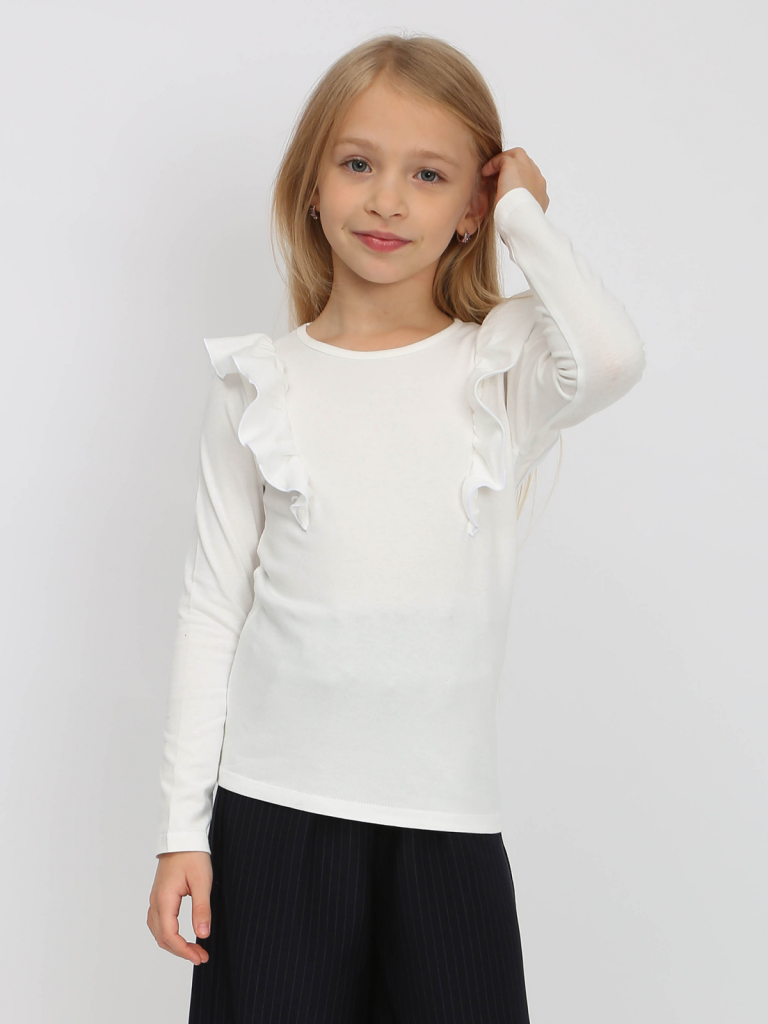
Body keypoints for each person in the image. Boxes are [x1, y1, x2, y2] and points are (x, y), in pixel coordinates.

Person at [146, 31, 646, 1024]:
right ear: (312, 183)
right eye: (358, 164)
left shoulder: (497, 371)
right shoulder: (261, 384)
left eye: (428, 175)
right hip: (273, 814)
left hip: (444, 822)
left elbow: (612, 359)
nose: (385, 200)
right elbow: (212, 607)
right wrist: (181, 828)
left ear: (470, 208)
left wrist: (525, 215)